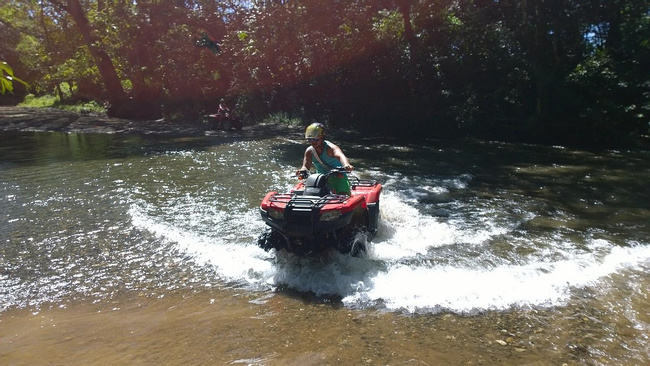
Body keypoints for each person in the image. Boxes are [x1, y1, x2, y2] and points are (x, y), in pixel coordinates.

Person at [297, 123, 354, 195]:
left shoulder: (331, 148)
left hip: (338, 177)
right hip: (320, 179)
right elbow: (305, 166)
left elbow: (341, 156)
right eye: (310, 140)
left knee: (343, 197)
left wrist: (346, 165)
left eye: (316, 139)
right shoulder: (309, 151)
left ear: (322, 138)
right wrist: (302, 171)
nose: (313, 142)